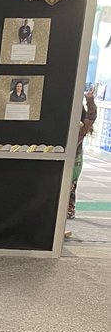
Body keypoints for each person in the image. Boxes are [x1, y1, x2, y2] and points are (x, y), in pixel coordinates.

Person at [66, 85, 98, 233]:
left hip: (74, 161)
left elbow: (91, 116)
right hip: (70, 160)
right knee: (68, 186)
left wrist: (89, 99)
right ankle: (68, 209)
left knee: (70, 186)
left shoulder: (81, 127)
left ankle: (69, 209)